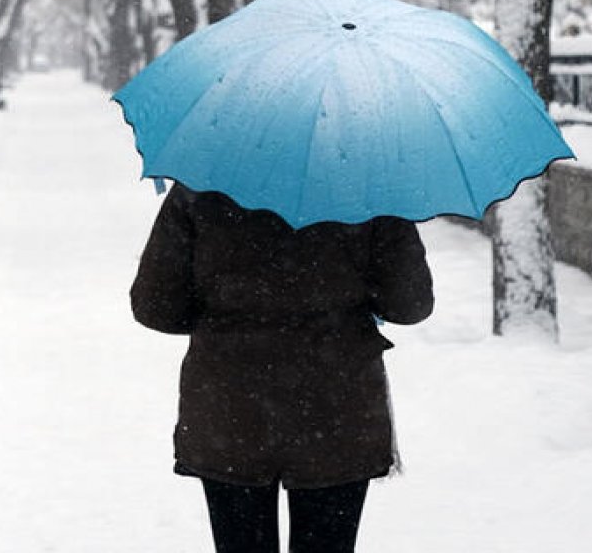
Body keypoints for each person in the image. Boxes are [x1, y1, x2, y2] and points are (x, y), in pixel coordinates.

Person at [130, 183, 434, 553]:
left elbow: (155, 305)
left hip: (232, 409)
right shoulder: (367, 185)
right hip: (335, 407)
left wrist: (225, 315)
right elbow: (410, 305)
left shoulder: (202, 184)